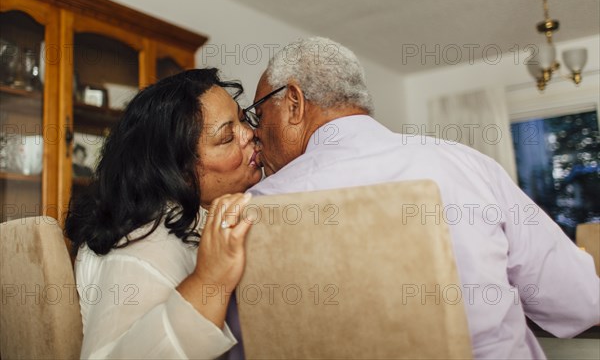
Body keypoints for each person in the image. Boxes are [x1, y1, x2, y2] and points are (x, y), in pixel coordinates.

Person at [245, 37, 600, 359]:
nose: (256, 133)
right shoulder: (464, 164)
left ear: (294, 102)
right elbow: (579, 301)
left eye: (259, 114)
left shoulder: (255, 206)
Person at [65, 69, 262, 359]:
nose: (250, 134)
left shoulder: (189, 220)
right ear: (181, 173)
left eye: (243, 119)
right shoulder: (146, 244)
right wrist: (210, 282)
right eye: (226, 137)